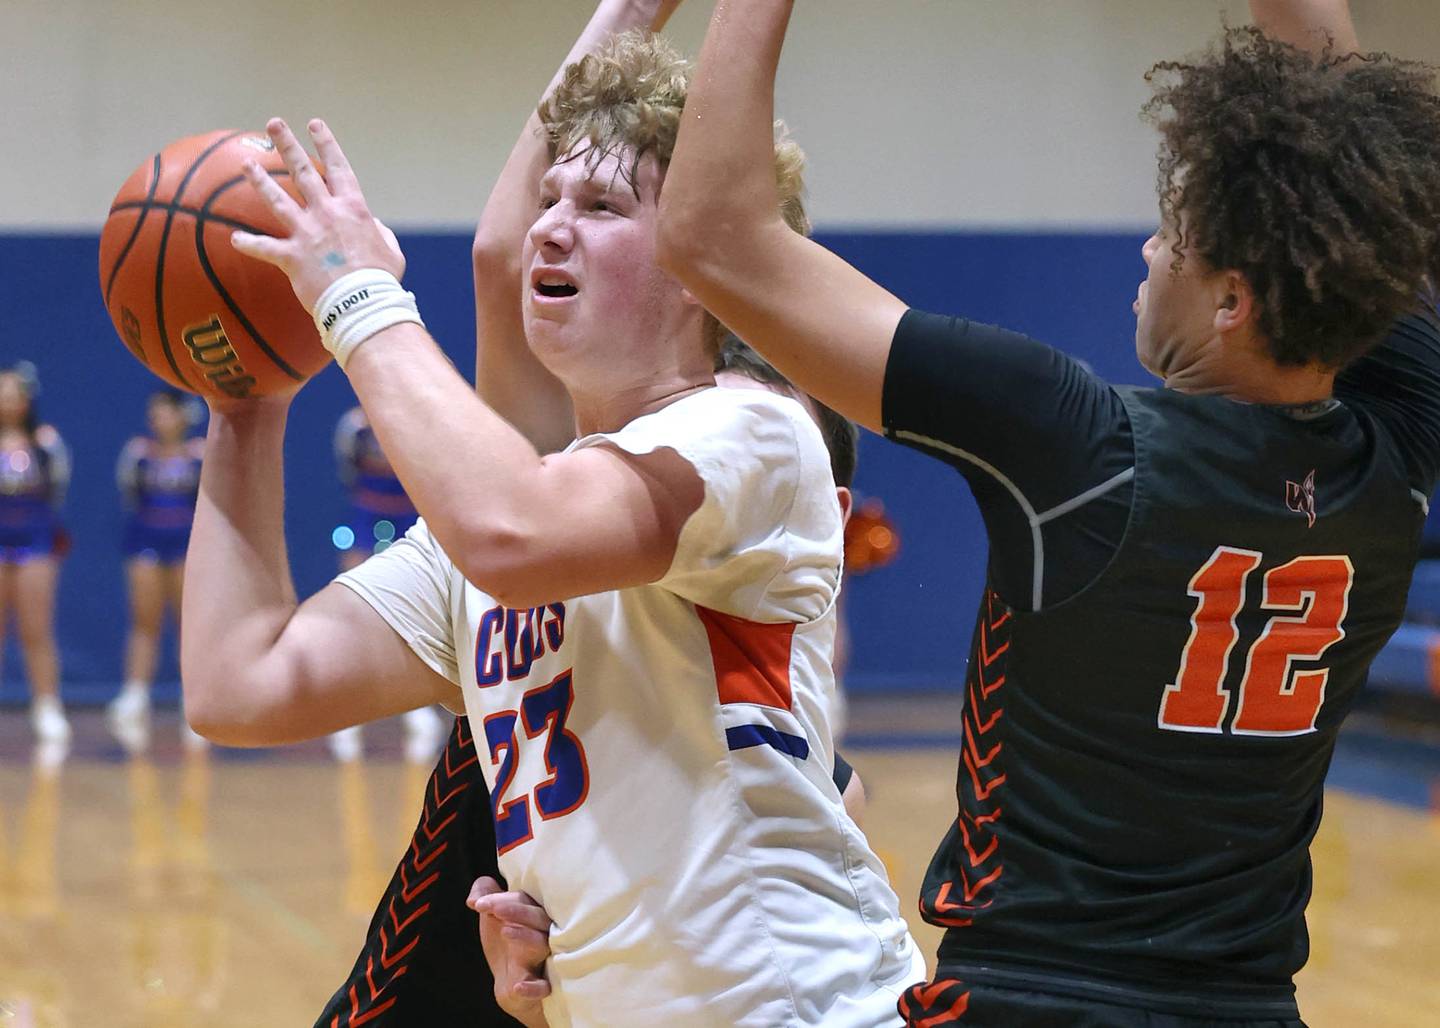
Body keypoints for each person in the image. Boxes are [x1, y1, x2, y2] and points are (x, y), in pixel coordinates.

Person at [655, 0, 1440, 1024]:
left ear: (1233, 301)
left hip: (1028, 997)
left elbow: (709, 234)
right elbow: (1363, 161)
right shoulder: (1399, 458)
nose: (1153, 249)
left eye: (1181, 239)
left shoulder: (1079, 446)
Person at [186, 27, 921, 1028]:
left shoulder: (751, 427)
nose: (547, 229)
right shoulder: (502, 521)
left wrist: (355, 296)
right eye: (550, 201)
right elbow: (240, 683)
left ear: (699, 260)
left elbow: (515, 533)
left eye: (602, 206)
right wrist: (246, 401)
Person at [328, 403, 447, 764]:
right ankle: (348, 714)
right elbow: (347, 469)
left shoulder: (416, 416)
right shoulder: (352, 427)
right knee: (352, 612)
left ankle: (419, 710)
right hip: (366, 518)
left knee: (417, 614)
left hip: (409, 520)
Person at [107, 389, 207, 752]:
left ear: (183, 416)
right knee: (144, 620)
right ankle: (135, 693)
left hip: (186, 545)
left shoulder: (200, 454)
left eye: (166, 413)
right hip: (145, 542)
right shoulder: (138, 454)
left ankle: (192, 697)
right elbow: (129, 495)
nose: (159, 420)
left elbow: (209, 501)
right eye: (155, 413)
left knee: (188, 623)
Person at [0, 365, 71, 744]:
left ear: (27, 399)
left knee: (36, 629)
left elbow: (57, 490)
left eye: (13, 393)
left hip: (35, 541)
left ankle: (46, 706)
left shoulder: (46, 443)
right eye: (1, 393)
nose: (7, 400)